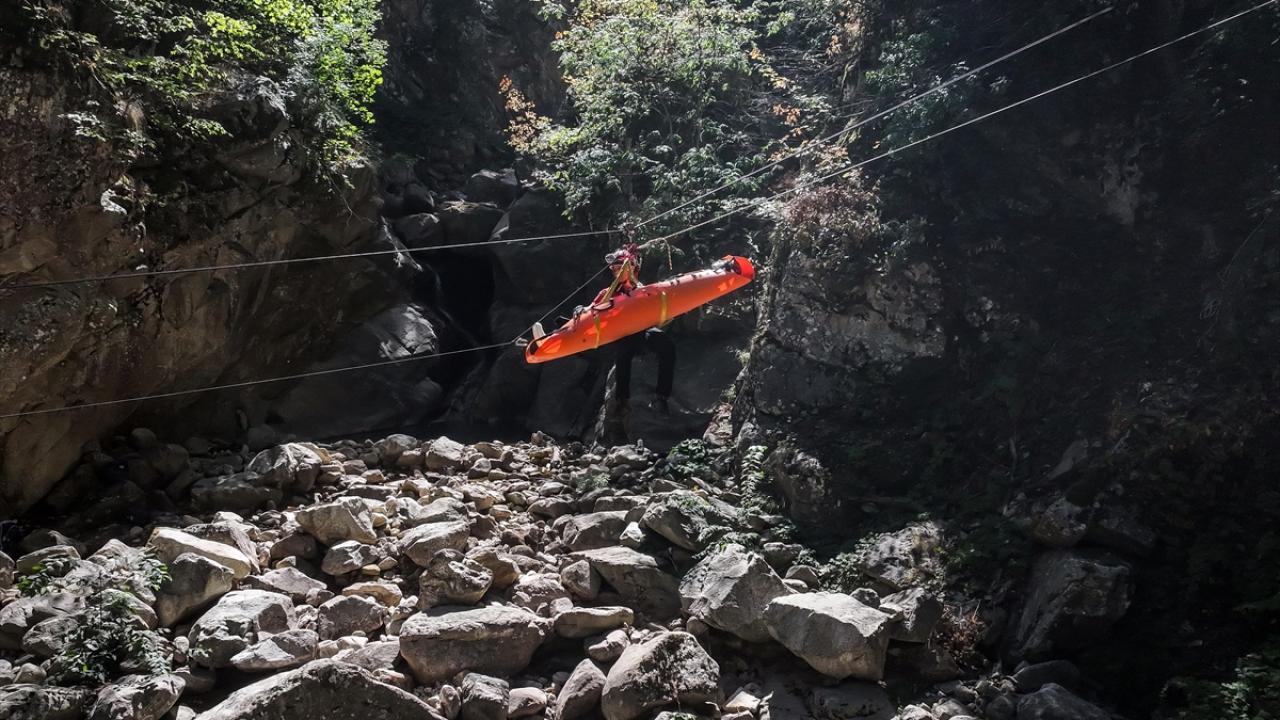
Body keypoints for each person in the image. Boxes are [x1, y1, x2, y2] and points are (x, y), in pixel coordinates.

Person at [594, 243, 676, 415]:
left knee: (666, 345)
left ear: (633, 268)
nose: (618, 272)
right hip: (623, 334)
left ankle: (661, 397)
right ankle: (622, 401)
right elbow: (593, 310)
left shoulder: (641, 289)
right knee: (623, 353)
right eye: (615, 269)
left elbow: (655, 307)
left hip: (642, 331)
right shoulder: (607, 293)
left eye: (621, 268)